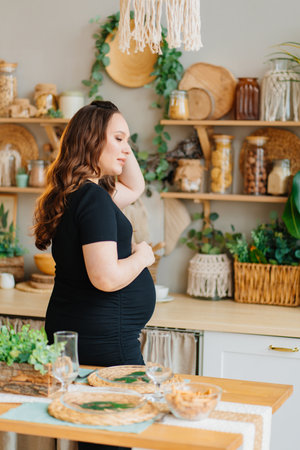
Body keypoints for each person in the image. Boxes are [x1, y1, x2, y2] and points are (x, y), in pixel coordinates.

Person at [33, 100, 156, 450]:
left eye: (128, 141)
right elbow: (106, 277)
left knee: (94, 438)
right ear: (91, 140)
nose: (127, 149)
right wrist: (142, 257)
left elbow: (135, 185)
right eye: (117, 139)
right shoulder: (95, 200)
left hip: (89, 335)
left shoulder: (80, 194)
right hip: (107, 345)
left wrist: (117, 138)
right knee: (112, 438)